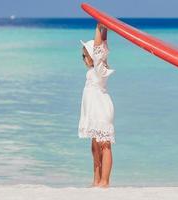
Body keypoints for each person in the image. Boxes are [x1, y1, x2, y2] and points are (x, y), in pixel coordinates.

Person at [78, 23, 115, 188]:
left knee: (104, 144)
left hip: (101, 111)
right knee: (94, 146)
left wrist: (99, 26)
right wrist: (104, 29)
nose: (83, 58)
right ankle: (96, 179)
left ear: (93, 56)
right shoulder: (93, 70)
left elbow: (101, 47)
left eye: (85, 55)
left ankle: (105, 181)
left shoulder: (101, 69)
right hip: (92, 113)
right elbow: (102, 46)